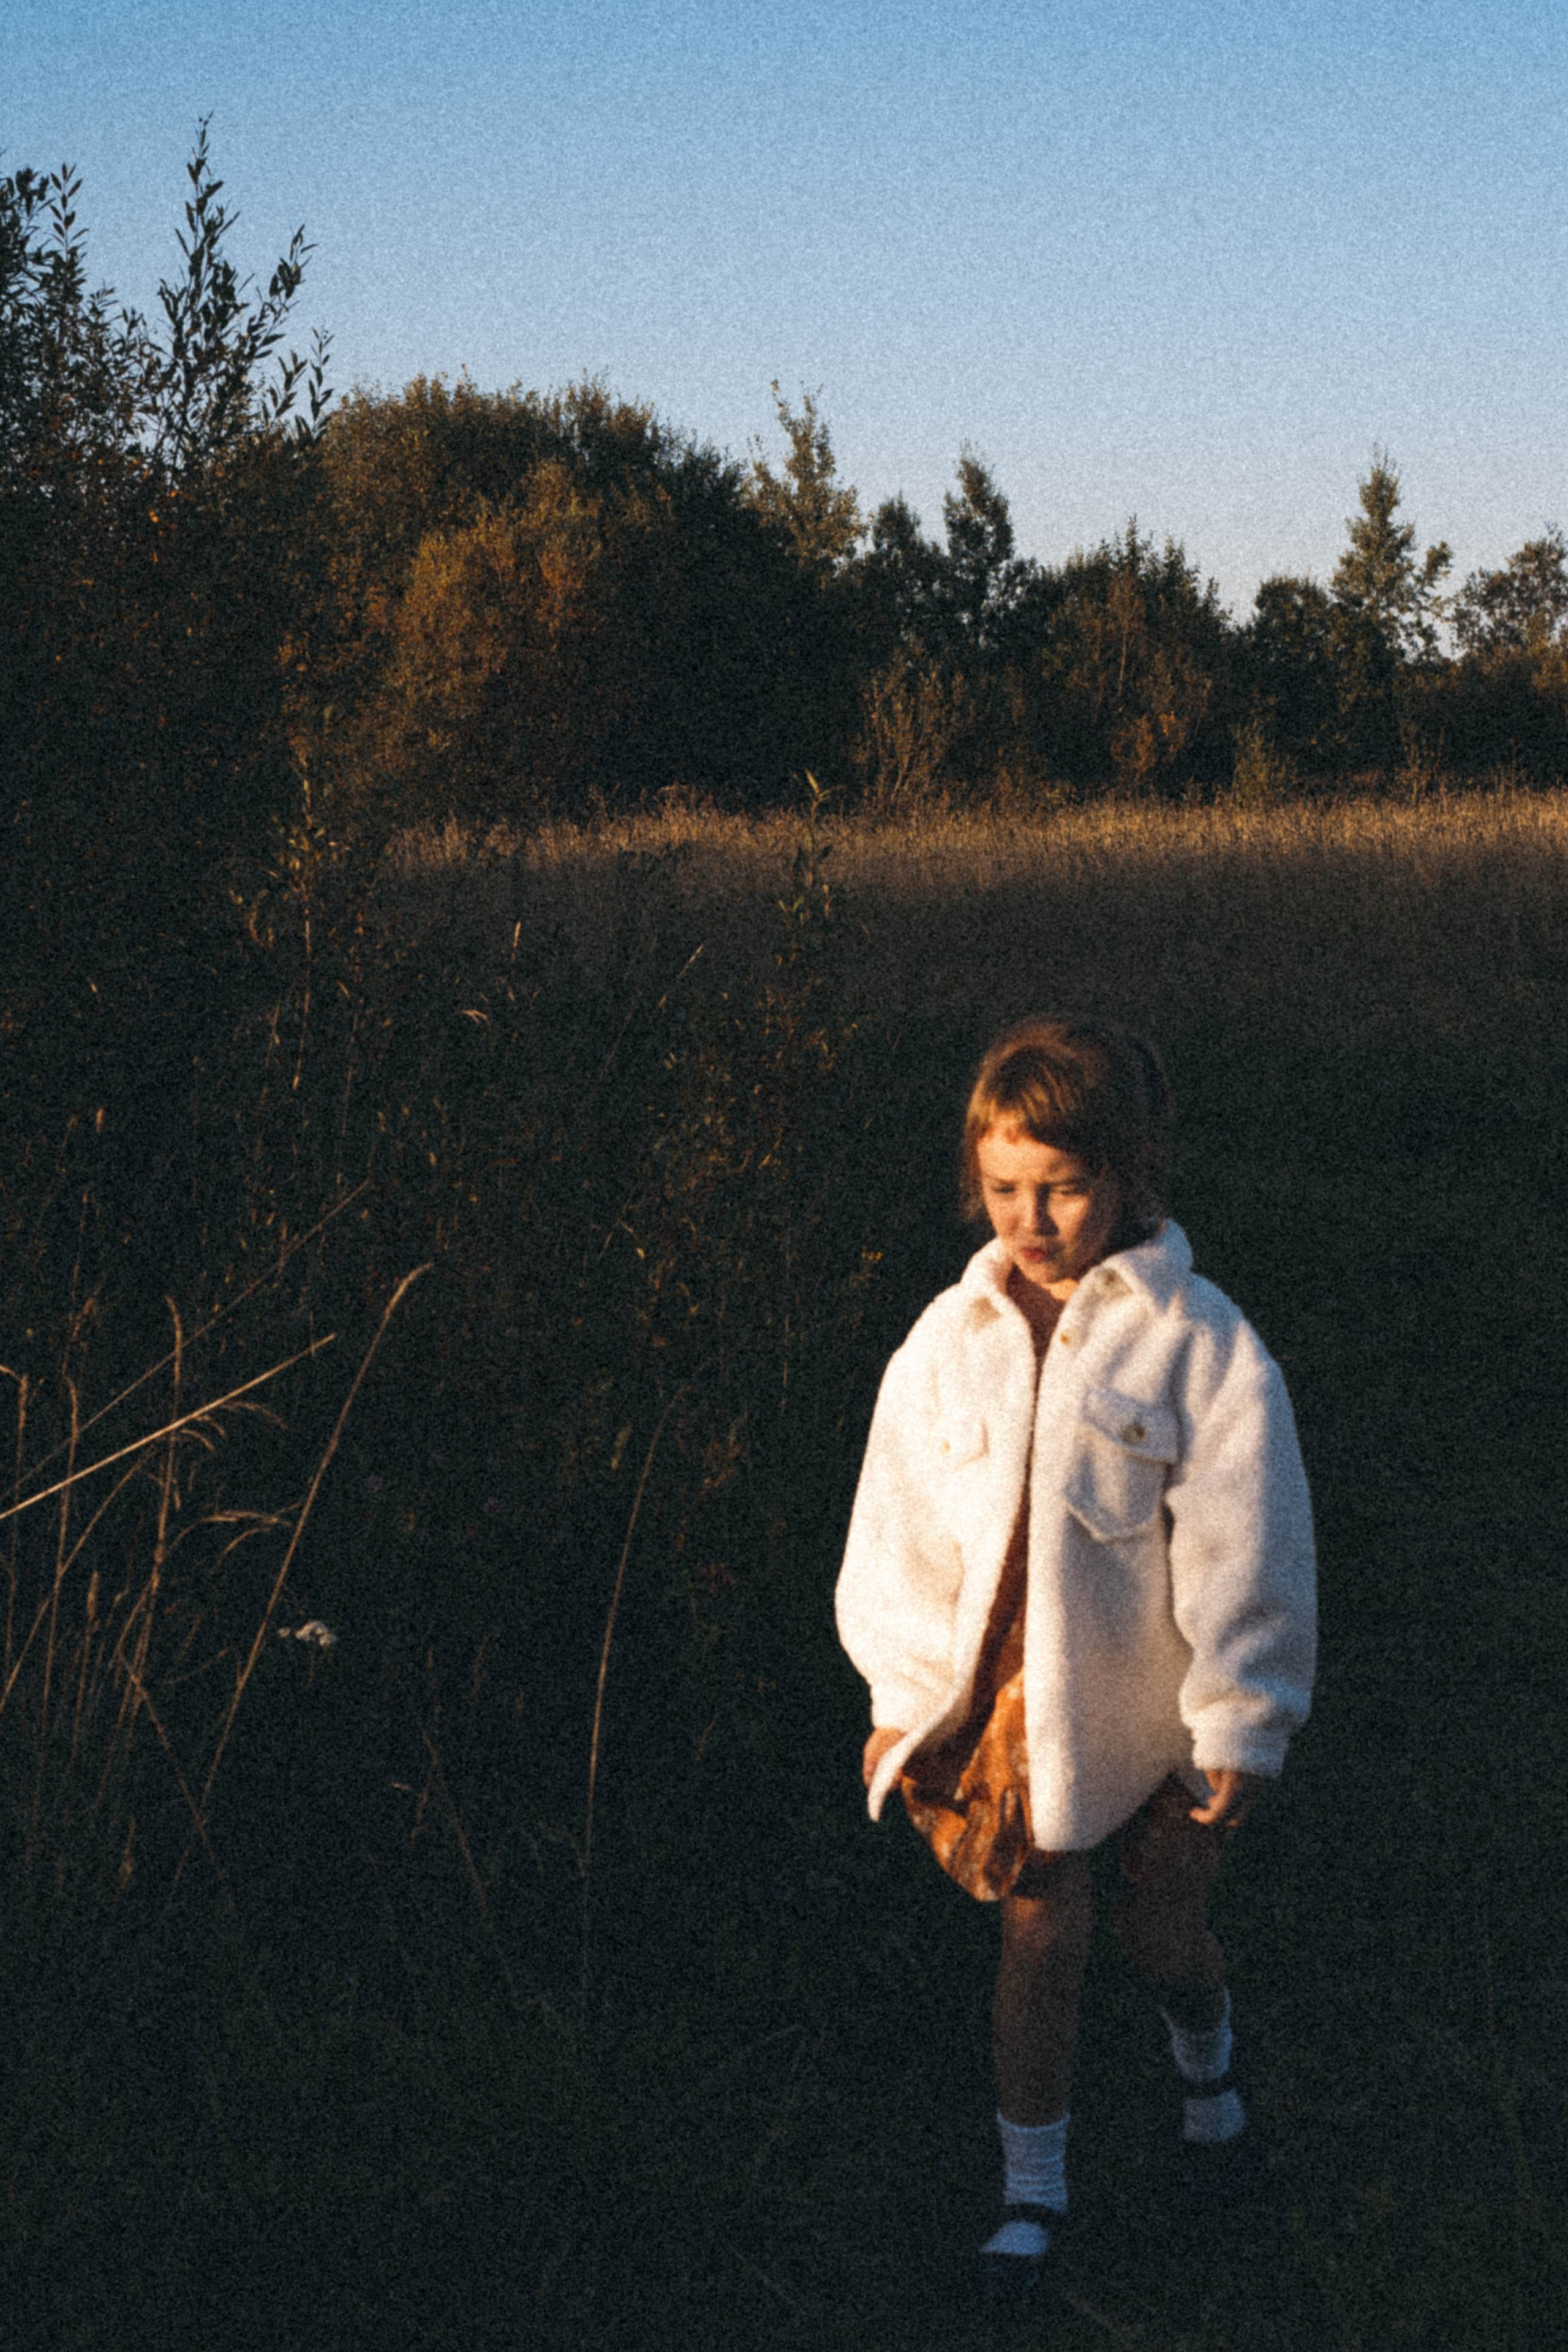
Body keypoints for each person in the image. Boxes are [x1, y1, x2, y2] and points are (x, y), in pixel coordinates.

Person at [835, 1016, 1316, 2297]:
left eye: (1061, 1186)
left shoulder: (1196, 1340)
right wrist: (897, 1693)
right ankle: (1030, 2195)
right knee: (1038, 1934)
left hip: (1152, 1709)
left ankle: (1204, 2074)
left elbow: (1245, 1536)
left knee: (1162, 1927)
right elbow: (899, 1526)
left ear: (1129, 1171)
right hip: (1005, 1707)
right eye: (1003, 1189)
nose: (1030, 1218)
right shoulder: (950, 1339)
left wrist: (1241, 1717)